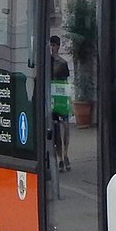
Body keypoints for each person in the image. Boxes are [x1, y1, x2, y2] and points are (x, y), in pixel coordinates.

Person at [49, 35, 71, 171]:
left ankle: (66, 154)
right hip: (51, 98)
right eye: (50, 45)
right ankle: (60, 158)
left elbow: (65, 83)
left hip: (61, 98)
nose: (52, 48)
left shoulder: (62, 63)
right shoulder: (47, 62)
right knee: (55, 129)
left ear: (58, 46)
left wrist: (68, 100)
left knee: (66, 128)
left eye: (54, 45)